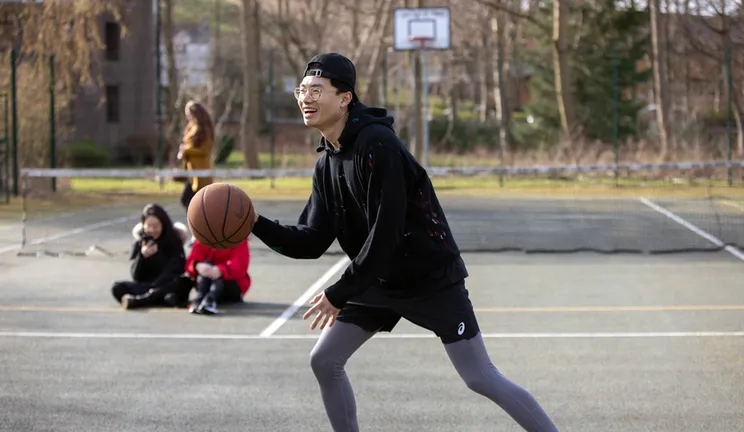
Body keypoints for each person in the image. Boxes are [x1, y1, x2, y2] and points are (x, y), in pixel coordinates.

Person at [249, 53, 559, 432]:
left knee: (479, 376)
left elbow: (387, 232)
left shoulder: (378, 145)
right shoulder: (326, 164)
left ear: (345, 98)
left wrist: (341, 291)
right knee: (325, 359)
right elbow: (311, 240)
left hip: (428, 278)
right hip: (377, 280)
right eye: (302, 90)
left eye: (316, 90)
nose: (305, 98)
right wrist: (253, 222)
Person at [111, 204, 191, 310]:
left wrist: (156, 287)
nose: (152, 230)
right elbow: (136, 276)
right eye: (148, 226)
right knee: (117, 287)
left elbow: (176, 268)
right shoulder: (142, 242)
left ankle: (143, 300)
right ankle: (160, 299)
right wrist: (142, 257)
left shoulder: (174, 241)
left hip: (166, 284)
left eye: (156, 226)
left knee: (184, 281)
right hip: (147, 286)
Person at [184, 238, 251, 315]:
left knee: (218, 275)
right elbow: (191, 260)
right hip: (206, 282)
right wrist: (197, 265)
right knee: (207, 263)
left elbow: (240, 265)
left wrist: (220, 270)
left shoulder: (238, 237)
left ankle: (209, 300)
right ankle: (201, 299)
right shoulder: (203, 235)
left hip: (231, 286)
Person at [177, 100, 214, 211]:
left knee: (196, 202)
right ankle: (196, 222)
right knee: (187, 200)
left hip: (201, 172)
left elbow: (205, 150)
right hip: (191, 172)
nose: (187, 117)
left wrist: (186, 150)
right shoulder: (190, 128)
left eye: (189, 114)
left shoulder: (204, 130)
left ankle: (200, 223)